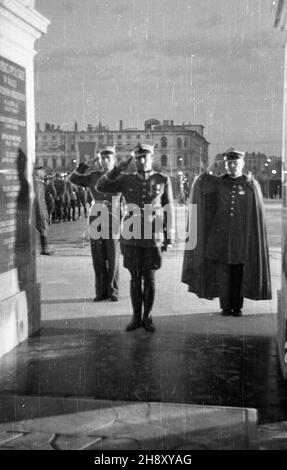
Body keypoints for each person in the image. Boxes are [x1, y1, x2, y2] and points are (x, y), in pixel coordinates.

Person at [182, 148, 271, 316]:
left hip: (242, 237)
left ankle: (237, 306)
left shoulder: (251, 184)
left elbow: (256, 213)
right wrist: (210, 165)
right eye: (228, 163)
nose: (231, 166)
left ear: (242, 163)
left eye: (235, 162)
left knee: (238, 272)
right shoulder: (218, 183)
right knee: (224, 273)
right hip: (220, 236)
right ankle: (225, 306)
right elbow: (200, 183)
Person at [97, 143, 175, 332]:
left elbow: (169, 208)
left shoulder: (162, 179)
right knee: (134, 278)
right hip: (131, 237)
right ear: (134, 159)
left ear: (151, 157)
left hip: (153, 236)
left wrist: (169, 237)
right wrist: (117, 169)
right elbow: (101, 186)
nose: (141, 161)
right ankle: (135, 317)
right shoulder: (125, 179)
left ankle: (147, 317)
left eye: (145, 157)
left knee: (149, 278)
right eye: (137, 157)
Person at [69, 146, 121, 302]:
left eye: (108, 158)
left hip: (113, 216)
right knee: (97, 256)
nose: (104, 161)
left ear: (114, 160)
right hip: (95, 216)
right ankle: (100, 291)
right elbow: (73, 179)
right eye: (102, 158)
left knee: (112, 256)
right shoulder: (93, 176)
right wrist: (84, 165)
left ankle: (113, 291)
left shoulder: (121, 177)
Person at [34, 164, 53, 255]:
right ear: (37, 172)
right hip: (39, 209)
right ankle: (44, 249)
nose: (44, 173)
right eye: (42, 171)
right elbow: (38, 199)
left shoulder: (38, 182)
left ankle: (44, 248)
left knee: (43, 229)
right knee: (43, 229)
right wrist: (41, 211)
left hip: (41, 209)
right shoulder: (37, 183)